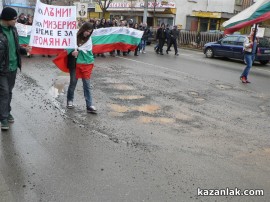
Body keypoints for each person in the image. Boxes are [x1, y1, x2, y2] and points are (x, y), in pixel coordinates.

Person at [0, 7, 28, 130]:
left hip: (13, 67)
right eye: (14, 18)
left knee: (9, 92)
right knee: (4, 92)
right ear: (6, 19)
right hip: (2, 69)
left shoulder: (14, 29)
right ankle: (3, 118)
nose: (16, 20)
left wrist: (24, 50)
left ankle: (7, 111)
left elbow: (16, 46)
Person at [66, 22, 97, 114]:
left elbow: (88, 51)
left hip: (85, 64)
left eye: (90, 32)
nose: (88, 33)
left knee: (87, 84)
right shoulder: (74, 37)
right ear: (83, 29)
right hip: (74, 63)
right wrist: (72, 52)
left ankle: (89, 105)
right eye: (87, 31)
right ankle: (70, 100)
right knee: (73, 82)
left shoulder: (89, 40)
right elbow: (67, 48)